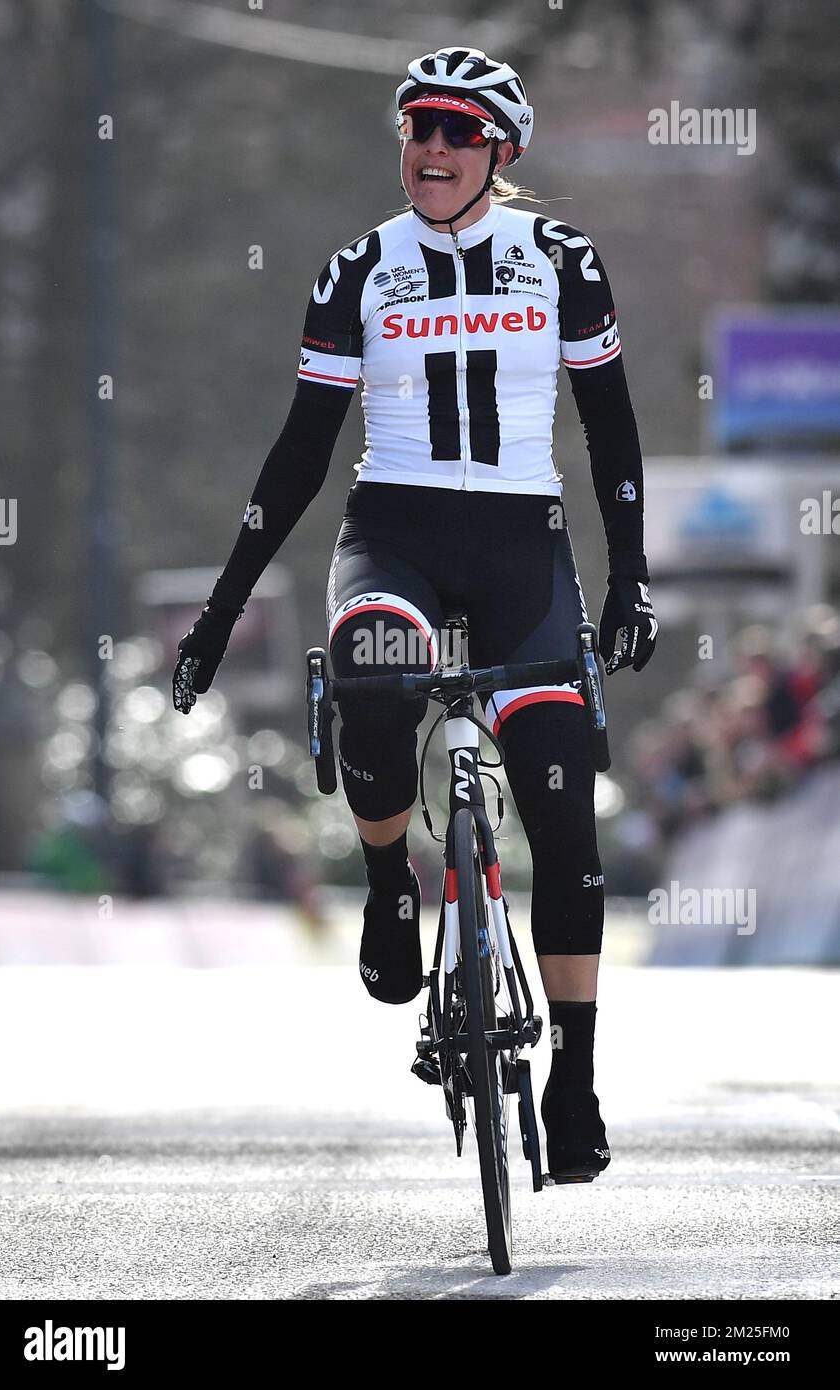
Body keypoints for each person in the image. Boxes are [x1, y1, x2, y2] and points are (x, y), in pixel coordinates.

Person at [172, 47, 658, 1183]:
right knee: (377, 665)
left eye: (454, 131)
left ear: (501, 149)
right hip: (389, 527)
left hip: (519, 543)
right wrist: (219, 610)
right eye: (415, 129)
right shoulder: (356, 270)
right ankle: (391, 878)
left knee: (564, 817)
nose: (430, 149)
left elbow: (613, 429)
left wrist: (629, 570)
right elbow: (299, 454)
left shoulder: (560, 261)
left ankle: (575, 1076)